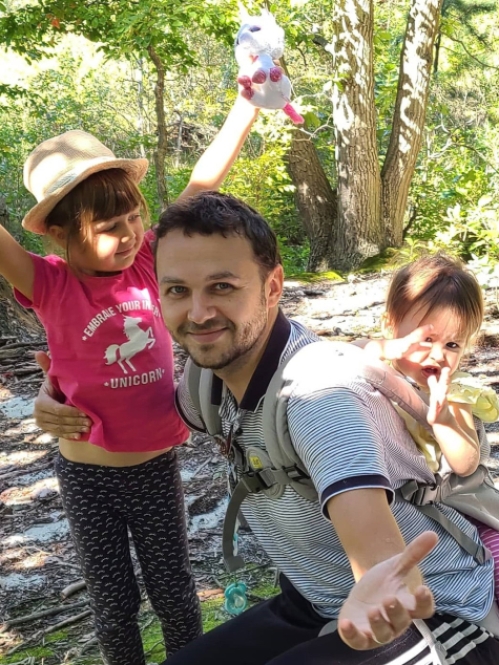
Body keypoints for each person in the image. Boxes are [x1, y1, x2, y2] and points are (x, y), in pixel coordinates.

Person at [33, 192, 499, 664]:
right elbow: (138, 412)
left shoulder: (320, 395)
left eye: (222, 287)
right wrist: (59, 399)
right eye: (177, 290)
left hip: (438, 615)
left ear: (273, 286)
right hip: (316, 598)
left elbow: (372, 538)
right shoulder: (203, 384)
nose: (198, 313)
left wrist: (382, 588)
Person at [2, 99, 259, 665]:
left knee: (175, 593)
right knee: (113, 602)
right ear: (62, 235)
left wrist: (246, 106)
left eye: (133, 219)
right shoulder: (48, 283)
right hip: (86, 473)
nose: (128, 234)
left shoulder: (148, 261)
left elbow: (203, 180)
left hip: (155, 467)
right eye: (107, 228)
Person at [360, 253, 499, 600]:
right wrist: (386, 348)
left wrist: (444, 420)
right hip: (408, 515)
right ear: (392, 325)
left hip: (465, 511)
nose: (438, 355)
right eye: (426, 339)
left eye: (452, 344)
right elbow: (348, 354)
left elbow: (466, 463)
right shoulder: (373, 371)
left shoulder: (453, 391)